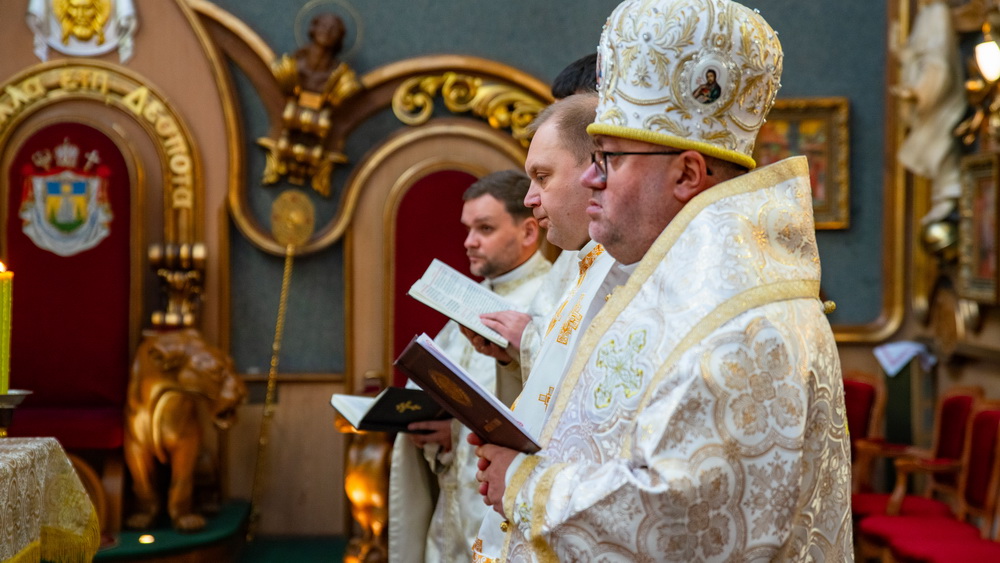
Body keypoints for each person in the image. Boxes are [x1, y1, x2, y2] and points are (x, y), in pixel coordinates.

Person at [471, 0, 853, 561]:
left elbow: (678, 518)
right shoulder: (663, 281)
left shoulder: (739, 319)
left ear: (686, 174)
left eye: (609, 158)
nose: (590, 178)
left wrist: (524, 486)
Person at [469, 93, 628, 562]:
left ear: (597, 169)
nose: (529, 198)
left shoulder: (623, 268)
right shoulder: (587, 262)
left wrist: (521, 478)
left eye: (542, 176)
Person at [387, 170, 551, 563]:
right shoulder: (471, 298)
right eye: (468, 229)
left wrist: (456, 433)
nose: (469, 242)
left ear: (529, 231)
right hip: (452, 507)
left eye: (485, 228)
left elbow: (548, 409)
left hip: (501, 507)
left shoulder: (550, 301)